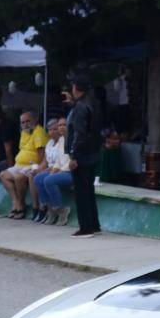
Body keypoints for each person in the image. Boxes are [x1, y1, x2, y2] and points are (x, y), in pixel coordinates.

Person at [63, 74, 102, 236]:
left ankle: (85, 226)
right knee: (89, 190)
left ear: (76, 88)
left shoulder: (80, 107)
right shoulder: (93, 103)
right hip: (93, 152)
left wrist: (73, 155)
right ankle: (94, 224)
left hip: (82, 154)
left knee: (81, 192)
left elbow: (79, 133)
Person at [0, 111, 49, 220]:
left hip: (32, 165)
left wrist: (38, 168)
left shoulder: (38, 132)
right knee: (3, 175)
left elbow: (42, 155)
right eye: (23, 122)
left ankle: (21, 207)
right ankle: (17, 203)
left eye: (28, 121)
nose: (25, 124)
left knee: (18, 178)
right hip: (20, 165)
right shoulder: (24, 132)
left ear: (34, 121)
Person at [30, 117, 71, 224]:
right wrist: (54, 170)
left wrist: (60, 170)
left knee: (49, 180)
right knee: (38, 178)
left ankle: (61, 210)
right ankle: (51, 210)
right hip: (60, 170)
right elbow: (58, 160)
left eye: (64, 125)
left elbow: (73, 160)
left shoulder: (73, 139)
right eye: (60, 125)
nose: (61, 127)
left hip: (71, 172)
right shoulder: (61, 140)